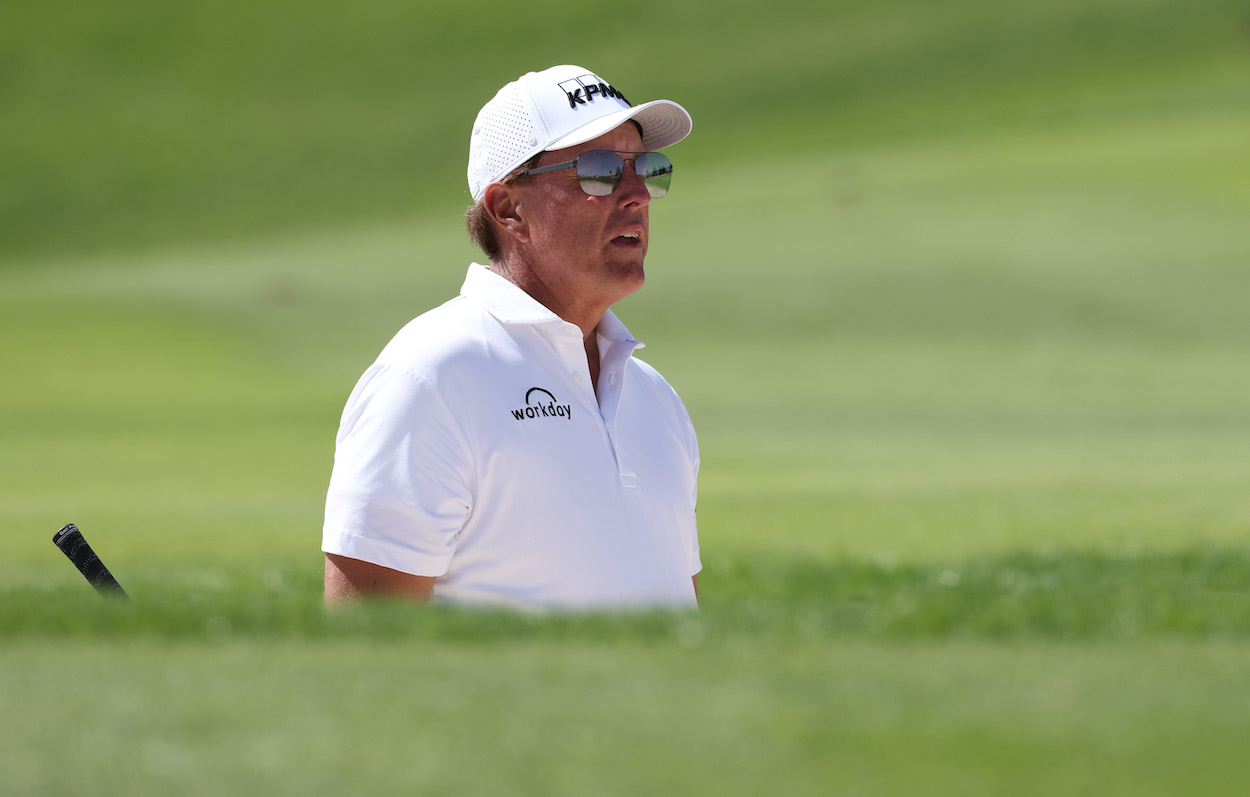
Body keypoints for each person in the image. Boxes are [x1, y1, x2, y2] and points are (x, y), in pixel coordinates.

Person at [321, 64, 700, 611]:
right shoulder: (430, 376)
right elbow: (365, 651)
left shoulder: (657, 399)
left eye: (647, 167)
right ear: (508, 209)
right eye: (600, 171)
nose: (638, 193)